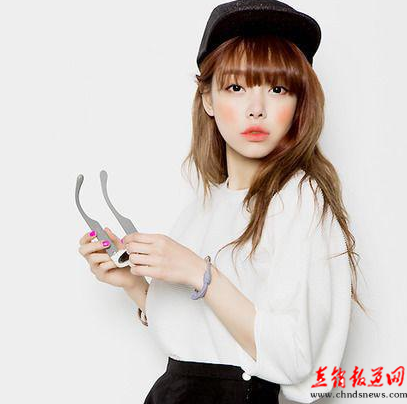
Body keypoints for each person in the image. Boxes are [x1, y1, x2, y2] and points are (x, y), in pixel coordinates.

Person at [78, 0, 366, 402]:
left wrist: (199, 272)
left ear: (299, 103)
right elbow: (201, 340)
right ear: (208, 99)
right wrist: (132, 283)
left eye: (277, 89)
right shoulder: (207, 203)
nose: (256, 109)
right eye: (236, 88)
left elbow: (295, 360)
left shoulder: (300, 198)